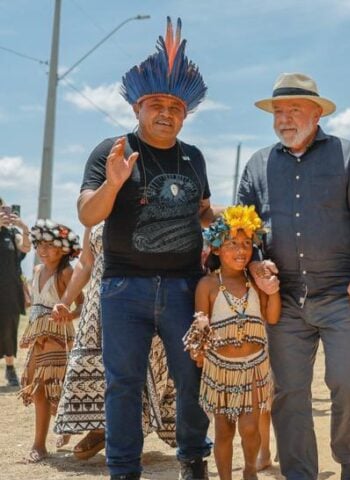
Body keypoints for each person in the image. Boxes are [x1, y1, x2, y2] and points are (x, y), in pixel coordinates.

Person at [77, 18, 216, 480]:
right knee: (123, 386)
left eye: (176, 106)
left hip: (183, 289)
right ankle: (122, 470)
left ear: (185, 114)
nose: (166, 112)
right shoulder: (111, 151)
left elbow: (202, 212)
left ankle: (194, 462)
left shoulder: (193, 157)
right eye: (156, 103)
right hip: (124, 288)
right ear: (137, 106)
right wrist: (113, 184)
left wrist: (232, 229)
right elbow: (87, 214)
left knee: (191, 381)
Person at [238, 72, 350, 480]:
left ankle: (349, 459)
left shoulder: (348, 156)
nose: (284, 119)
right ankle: (300, 473)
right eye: (278, 112)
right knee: (289, 393)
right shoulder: (257, 165)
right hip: (283, 301)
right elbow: (242, 231)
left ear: (317, 114)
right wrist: (254, 263)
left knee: (348, 384)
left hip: (342, 296)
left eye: (294, 110)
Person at [52, 222, 178, 460]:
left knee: (141, 364)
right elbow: (86, 262)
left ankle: (128, 433)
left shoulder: (151, 205)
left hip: (143, 297)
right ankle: (100, 427)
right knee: (95, 363)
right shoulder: (98, 211)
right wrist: (66, 300)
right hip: (99, 301)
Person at [185, 205, 281, 480]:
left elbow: (272, 317)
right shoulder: (208, 286)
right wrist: (200, 330)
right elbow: (199, 324)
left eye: (247, 244)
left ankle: (249, 469)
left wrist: (272, 290)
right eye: (232, 244)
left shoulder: (255, 282)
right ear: (215, 248)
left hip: (253, 367)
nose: (241, 250)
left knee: (250, 427)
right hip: (220, 368)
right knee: (224, 429)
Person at [19, 220, 81, 463]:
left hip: (59, 337)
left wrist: (68, 314)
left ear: (63, 249)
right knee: (37, 388)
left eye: (49, 245)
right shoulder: (36, 271)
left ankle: (49, 437)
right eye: (39, 245)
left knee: (57, 387)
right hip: (37, 337)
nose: (42, 250)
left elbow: (82, 305)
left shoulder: (66, 272)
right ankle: (41, 443)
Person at [0, 198, 31, 387]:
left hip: (9, 289)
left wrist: (24, 227)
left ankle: (10, 368)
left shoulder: (12, 233)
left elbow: (26, 247)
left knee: (9, 328)